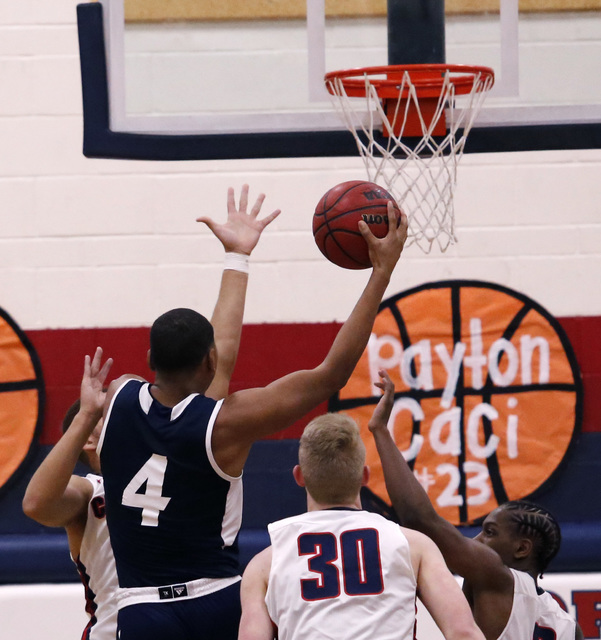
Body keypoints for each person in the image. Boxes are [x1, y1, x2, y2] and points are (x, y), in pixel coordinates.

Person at [98, 199, 409, 640]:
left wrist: (236, 257)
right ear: (208, 359)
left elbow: (213, 367)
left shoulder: (117, 396)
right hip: (215, 601)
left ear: (150, 358)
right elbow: (330, 376)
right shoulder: (226, 424)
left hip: (141, 610)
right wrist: (381, 273)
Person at [22, 183, 276, 640]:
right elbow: (37, 503)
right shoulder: (88, 493)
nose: (112, 415)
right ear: (88, 442)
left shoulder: (175, 448)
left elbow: (220, 357)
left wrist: (237, 260)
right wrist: (83, 419)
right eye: (100, 419)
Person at [368, 369, 584, 640]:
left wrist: (381, 432)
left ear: (521, 548)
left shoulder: (495, 575)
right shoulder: (569, 627)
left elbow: (418, 519)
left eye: (490, 532)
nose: (477, 539)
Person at [238, 408, 486, 640]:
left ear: (299, 476)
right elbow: (463, 632)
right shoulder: (415, 545)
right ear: (365, 476)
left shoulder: (264, 564)